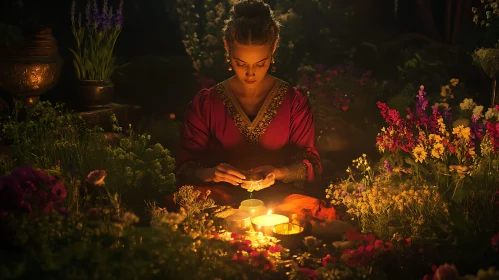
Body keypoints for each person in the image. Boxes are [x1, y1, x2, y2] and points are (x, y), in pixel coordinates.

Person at [175, 0, 322, 207]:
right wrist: (211, 173)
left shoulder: (293, 102)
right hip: (218, 201)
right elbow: (184, 168)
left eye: (261, 63)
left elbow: (311, 164)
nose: (250, 73)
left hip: (279, 202)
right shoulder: (206, 104)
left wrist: (278, 172)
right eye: (240, 63)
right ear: (227, 46)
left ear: (274, 47)